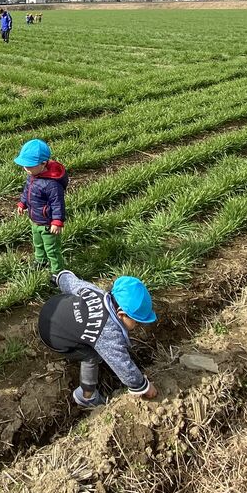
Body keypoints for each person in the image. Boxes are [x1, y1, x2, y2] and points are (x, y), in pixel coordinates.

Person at [37, 270, 158, 408]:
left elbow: (73, 283)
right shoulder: (108, 333)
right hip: (53, 337)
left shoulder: (97, 292)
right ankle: (86, 395)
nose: (137, 325)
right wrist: (143, 386)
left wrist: (59, 278)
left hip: (51, 307)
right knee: (92, 356)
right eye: (136, 321)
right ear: (121, 314)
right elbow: (122, 365)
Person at [15, 139, 68, 273]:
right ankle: (41, 261)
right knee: (38, 244)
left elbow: (58, 203)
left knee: (51, 249)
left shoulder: (52, 185)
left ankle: (57, 272)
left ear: (43, 163)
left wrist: (57, 221)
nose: (25, 169)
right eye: (25, 166)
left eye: (29, 166)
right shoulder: (33, 175)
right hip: (35, 220)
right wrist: (23, 203)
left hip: (48, 224)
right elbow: (27, 191)